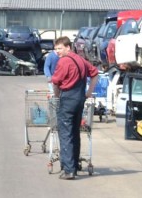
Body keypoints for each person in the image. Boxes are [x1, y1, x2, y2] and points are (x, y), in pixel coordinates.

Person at [51, 36, 99, 180]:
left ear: (68, 47)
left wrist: (57, 96)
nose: (57, 52)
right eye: (55, 49)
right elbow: (95, 74)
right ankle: (75, 166)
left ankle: (68, 170)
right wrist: (88, 93)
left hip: (68, 98)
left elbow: (55, 82)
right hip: (80, 99)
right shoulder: (80, 59)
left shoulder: (64, 61)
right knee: (74, 132)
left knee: (65, 133)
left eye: (59, 48)